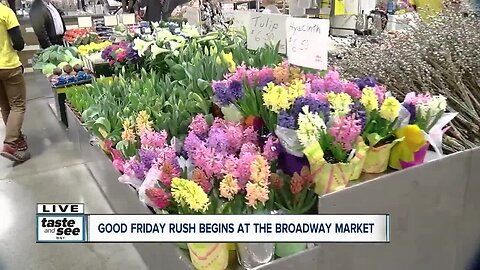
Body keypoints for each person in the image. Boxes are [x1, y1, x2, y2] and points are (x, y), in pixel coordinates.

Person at [0, 2, 30, 162]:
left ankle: (17, 140)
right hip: (8, 66)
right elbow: (18, 43)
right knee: (17, 105)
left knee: (5, 106)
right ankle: (10, 143)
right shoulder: (5, 12)